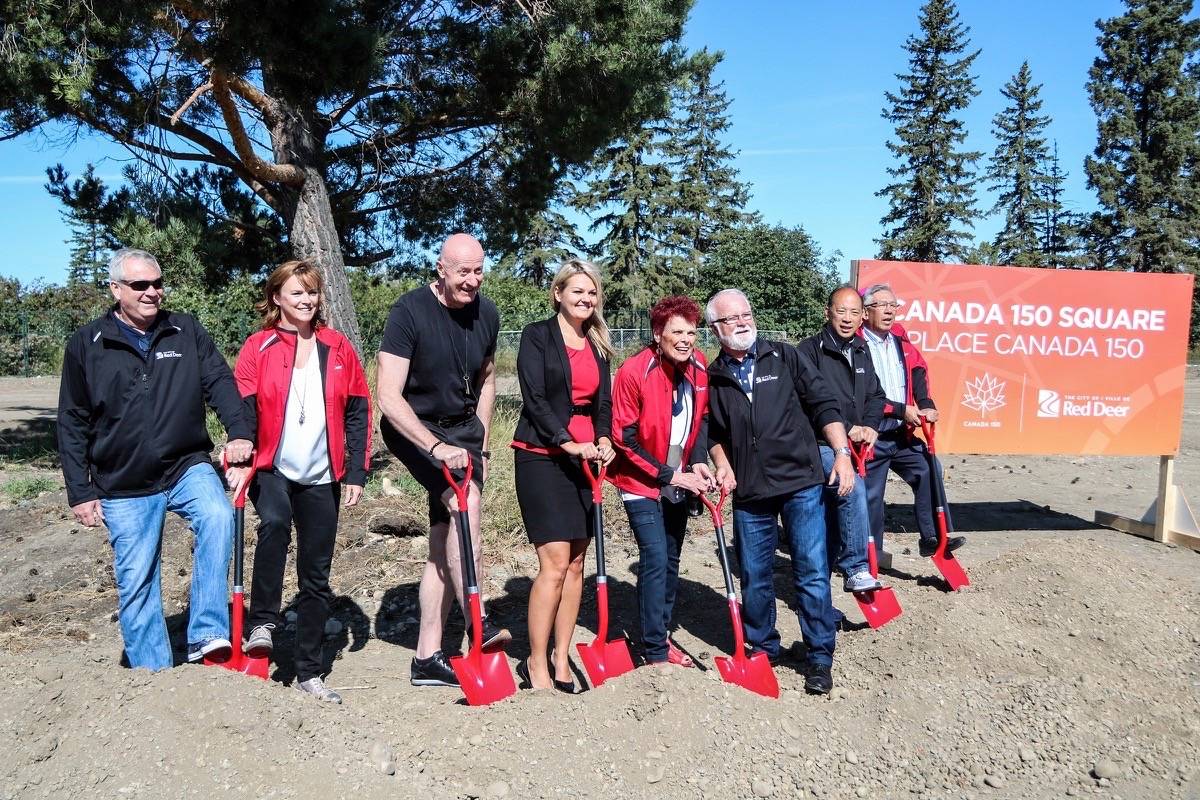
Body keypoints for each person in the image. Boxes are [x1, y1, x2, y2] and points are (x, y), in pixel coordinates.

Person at [57, 247, 253, 670]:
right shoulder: (87, 344)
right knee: (138, 577)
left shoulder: (185, 331)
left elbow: (219, 381)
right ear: (116, 289)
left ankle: (207, 634)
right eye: (140, 285)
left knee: (218, 516)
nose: (152, 292)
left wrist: (239, 433)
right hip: (123, 480)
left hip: (185, 464)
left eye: (157, 284)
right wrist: (80, 491)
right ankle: (152, 675)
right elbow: (71, 420)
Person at [230, 260, 372, 703]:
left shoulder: (338, 346)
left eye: (312, 293)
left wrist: (355, 471)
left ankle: (311, 670)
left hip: (322, 476)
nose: (307, 300)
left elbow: (359, 410)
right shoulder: (259, 346)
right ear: (277, 298)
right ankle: (264, 622)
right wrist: (239, 457)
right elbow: (242, 411)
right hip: (272, 467)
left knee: (316, 574)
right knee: (273, 523)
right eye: (297, 293)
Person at [704, 288, 855, 696]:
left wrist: (842, 453)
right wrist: (721, 463)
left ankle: (819, 655)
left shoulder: (785, 357)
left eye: (746, 314)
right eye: (731, 318)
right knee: (754, 576)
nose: (742, 322)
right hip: (750, 492)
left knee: (810, 570)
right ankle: (763, 647)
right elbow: (713, 433)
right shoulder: (712, 376)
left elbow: (824, 404)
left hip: (801, 483)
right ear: (715, 329)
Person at [377, 233, 509, 688]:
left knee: (442, 540)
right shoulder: (409, 311)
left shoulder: (486, 313)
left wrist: (483, 444)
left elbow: (488, 380)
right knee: (464, 503)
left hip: (462, 432)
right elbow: (388, 397)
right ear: (441, 269)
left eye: (478, 271)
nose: (472, 281)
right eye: (462, 272)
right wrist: (434, 448)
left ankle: (427, 657)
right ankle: (479, 615)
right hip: (414, 428)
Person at [511, 260, 616, 691]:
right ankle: (535, 660)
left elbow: (603, 404)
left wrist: (605, 438)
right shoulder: (537, 336)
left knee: (576, 564)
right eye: (577, 291)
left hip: (586, 458)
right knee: (553, 563)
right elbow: (534, 397)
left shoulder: (598, 343)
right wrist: (564, 439)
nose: (585, 299)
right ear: (558, 293)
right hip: (541, 453)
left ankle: (561, 655)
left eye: (591, 293)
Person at [608, 295, 718, 669]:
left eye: (692, 332)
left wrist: (698, 461)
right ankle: (654, 649)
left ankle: (662, 632)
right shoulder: (634, 371)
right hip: (640, 478)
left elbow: (702, 419)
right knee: (655, 556)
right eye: (677, 332)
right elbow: (624, 438)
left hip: (680, 476)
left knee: (671, 557)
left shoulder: (699, 366)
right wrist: (670, 474)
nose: (686, 339)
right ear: (658, 334)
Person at [859, 283, 966, 565]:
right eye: (883, 305)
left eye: (894, 305)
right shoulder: (856, 345)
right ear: (866, 310)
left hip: (902, 433)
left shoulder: (901, 340)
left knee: (930, 468)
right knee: (871, 496)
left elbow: (918, 373)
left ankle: (933, 537)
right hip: (871, 435)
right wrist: (898, 410)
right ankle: (871, 555)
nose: (890, 311)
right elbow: (860, 396)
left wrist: (926, 404)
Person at [797, 286, 885, 594]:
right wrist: (846, 427)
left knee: (836, 516)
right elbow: (809, 401)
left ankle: (820, 590)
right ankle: (856, 568)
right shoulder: (809, 351)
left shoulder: (862, 349)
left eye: (853, 312)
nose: (847, 319)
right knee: (852, 488)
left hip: (855, 443)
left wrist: (870, 426)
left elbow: (876, 395)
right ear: (828, 312)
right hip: (818, 444)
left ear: (862, 316)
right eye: (840, 311)